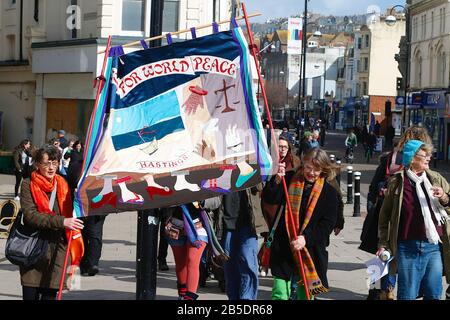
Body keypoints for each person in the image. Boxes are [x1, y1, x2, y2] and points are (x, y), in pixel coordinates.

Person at [360, 126, 433, 300]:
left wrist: (373, 209)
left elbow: (372, 188)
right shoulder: (424, 164)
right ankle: (409, 292)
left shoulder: (390, 158)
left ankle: (378, 292)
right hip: (411, 218)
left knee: (382, 257)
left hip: (385, 214)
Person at [378, 140, 450, 300]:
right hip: (407, 247)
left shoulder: (435, 179)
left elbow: (449, 204)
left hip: (433, 247)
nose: (429, 158)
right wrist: (383, 244)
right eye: (425, 155)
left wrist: (444, 197)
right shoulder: (396, 183)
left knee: (433, 293)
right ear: (412, 158)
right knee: (408, 294)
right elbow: (384, 218)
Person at [263, 148, 338, 300]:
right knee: (280, 293)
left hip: (309, 251)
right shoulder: (289, 179)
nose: (311, 173)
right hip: (284, 245)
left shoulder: (329, 193)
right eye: (308, 168)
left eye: (316, 170)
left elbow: (327, 225)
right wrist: (277, 179)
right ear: (303, 165)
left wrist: (306, 238)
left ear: (323, 170)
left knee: (306, 296)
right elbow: (270, 198)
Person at [19, 144, 84, 300]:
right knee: (30, 295)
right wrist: (62, 222)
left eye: (54, 163)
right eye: (46, 163)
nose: (51, 167)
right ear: (37, 164)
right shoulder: (28, 184)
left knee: (50, 296)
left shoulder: (63, 183)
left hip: (57, 250)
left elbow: (70, 212)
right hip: (33, 248)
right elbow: (31, 216)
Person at [220, 186, 263, 300]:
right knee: (230, 269)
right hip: (225, 224)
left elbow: (259, 186)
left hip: (248, 223)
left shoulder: (253, 167)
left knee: (248, 263)